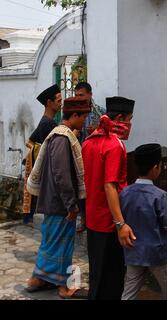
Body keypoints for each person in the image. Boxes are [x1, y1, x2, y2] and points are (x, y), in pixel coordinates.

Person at [25, 96, 91, 298]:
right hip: (60, 204)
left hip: (53, 202)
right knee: (62, 243)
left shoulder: (59, 136)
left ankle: (38, 278)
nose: (84, 121)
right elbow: (62, 176)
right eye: (83, 117)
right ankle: (63, 286)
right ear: (75, 115)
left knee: (51, 241)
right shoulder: (63, 138)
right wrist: (71, 205)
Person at [82, 96, 136, 300]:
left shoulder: (89, 141)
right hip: (109, 221)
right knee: (112, 280)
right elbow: (110, 185)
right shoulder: (114, 145)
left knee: (97, 274)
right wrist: (120, 223)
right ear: (121, 118)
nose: (130, 124)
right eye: (130, 119)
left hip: (93, 219)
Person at [120, 144, 167, 300]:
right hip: (158, 254)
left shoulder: (125, 192)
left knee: (129, 293)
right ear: (156, 167)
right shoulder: (160, 195)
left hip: (134, 251)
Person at [23, 84, 62, 225]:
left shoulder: (45, 122)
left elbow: (30, 142)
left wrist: (39, 151)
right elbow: (52, 152)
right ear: (49, 103)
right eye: (58, 101)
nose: (61, 104)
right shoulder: (48, 124)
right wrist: (41, 154)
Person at [74, 81, 106, 233]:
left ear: (90, 95)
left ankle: (95, 217)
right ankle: (83, 218)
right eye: (76, 95)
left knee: (95, 190)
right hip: (79, 157)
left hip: (96, 158)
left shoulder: (100, 112)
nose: (78, 98)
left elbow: (109, 134)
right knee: (81, 189)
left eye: (81, 95)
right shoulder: (73, 112)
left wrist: (98, 130)